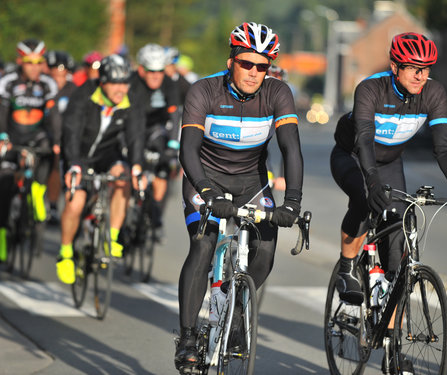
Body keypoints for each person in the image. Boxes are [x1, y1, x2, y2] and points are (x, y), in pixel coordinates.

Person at [330, 32, 447, 374]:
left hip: (390, 162)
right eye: (413, 69)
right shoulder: (371, 89)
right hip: (353, 157)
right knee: (366, 200)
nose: (421, 76)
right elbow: (364, 140)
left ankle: (392, 347)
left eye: (426, 69)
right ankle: (348, 265)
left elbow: (444, 147)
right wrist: (371, 181)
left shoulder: (434, 92)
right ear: (395, 66)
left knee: (398, 253)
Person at [174, 22, 303, 372]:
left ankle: (236, 310)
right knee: (203, 244)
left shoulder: (278, 92)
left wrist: (292, 200)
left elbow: (291, 147)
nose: (254, 73)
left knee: (266, 250)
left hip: (253, 181)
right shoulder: (204, 90)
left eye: (262, 66)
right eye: (247, 63)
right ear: (231, 60)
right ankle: (187, 337)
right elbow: (188, 150)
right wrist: (205, 190)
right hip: (206, 177)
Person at [56, 54, 145, 284]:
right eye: (114, 83)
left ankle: (111, 237)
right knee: (75, 203)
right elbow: (71, 132)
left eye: (125, 82)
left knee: (124, 177)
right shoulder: (84, 95)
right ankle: (65, 252)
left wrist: (137, 167)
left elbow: (136, 136)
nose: (120, 89)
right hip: (80, 156)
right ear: (102, 82)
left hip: (107, 155)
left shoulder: (130, 100)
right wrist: (74, 164)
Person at [0, 38, 61, 262]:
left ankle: (38, 189)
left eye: (39, 62)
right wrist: (3, 136)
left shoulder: (48, 84)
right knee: (5, 183)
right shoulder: (7, 81)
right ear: (19, 61)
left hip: (36, 137)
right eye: (29, 62)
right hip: (12, 136)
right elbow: (2, 113)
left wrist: (57, 141)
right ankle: (2, 235)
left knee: (49, 149)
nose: (35, 67)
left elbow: (54, 117)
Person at [128, 43, 182, 237]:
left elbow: (175, 116)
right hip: (133, 128)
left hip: (156, 130)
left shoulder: (169, 83)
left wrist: (173, 147)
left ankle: (156, 212)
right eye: (151, 71)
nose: (156, 76)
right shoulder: (130, 82)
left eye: (160, 71)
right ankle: (127, 209)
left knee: (163, 165)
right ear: (141, 69)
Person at [44, 50, 78, 223]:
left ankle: (53, 205)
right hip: (42, 134)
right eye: (54, 74)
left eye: (62, 75)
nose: (58, 79)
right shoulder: (41, 86)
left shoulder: (73, 91)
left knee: (57, 163)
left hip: (63, 137)